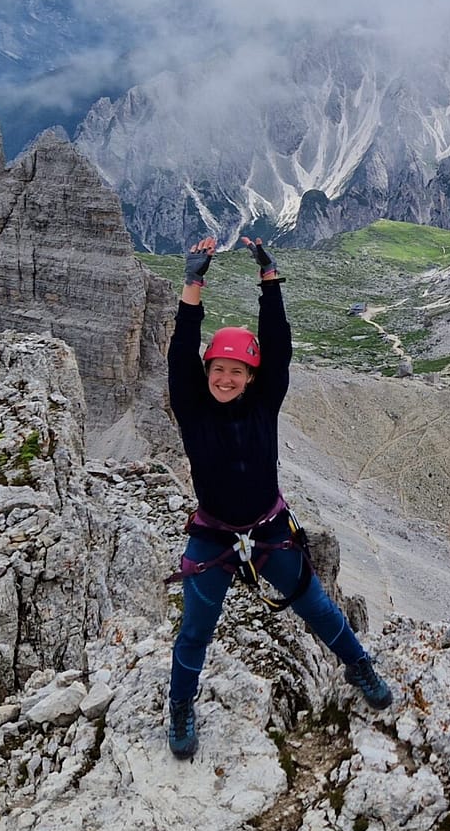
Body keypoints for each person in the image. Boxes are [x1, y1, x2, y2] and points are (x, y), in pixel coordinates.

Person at [165, 233, 392, 759]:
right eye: (217, 369)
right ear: (207, 375)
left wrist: (270, 280)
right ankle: (180, 707)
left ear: (251, 377)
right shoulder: (193, 409)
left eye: (236, 371)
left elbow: (279, 343)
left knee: (317, 607)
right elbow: (181, 351)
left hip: (268, 530)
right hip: (216, 535)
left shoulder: (265, 402)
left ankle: (359, 666)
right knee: (195, 631)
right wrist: (192, 284)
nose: (225, 377)